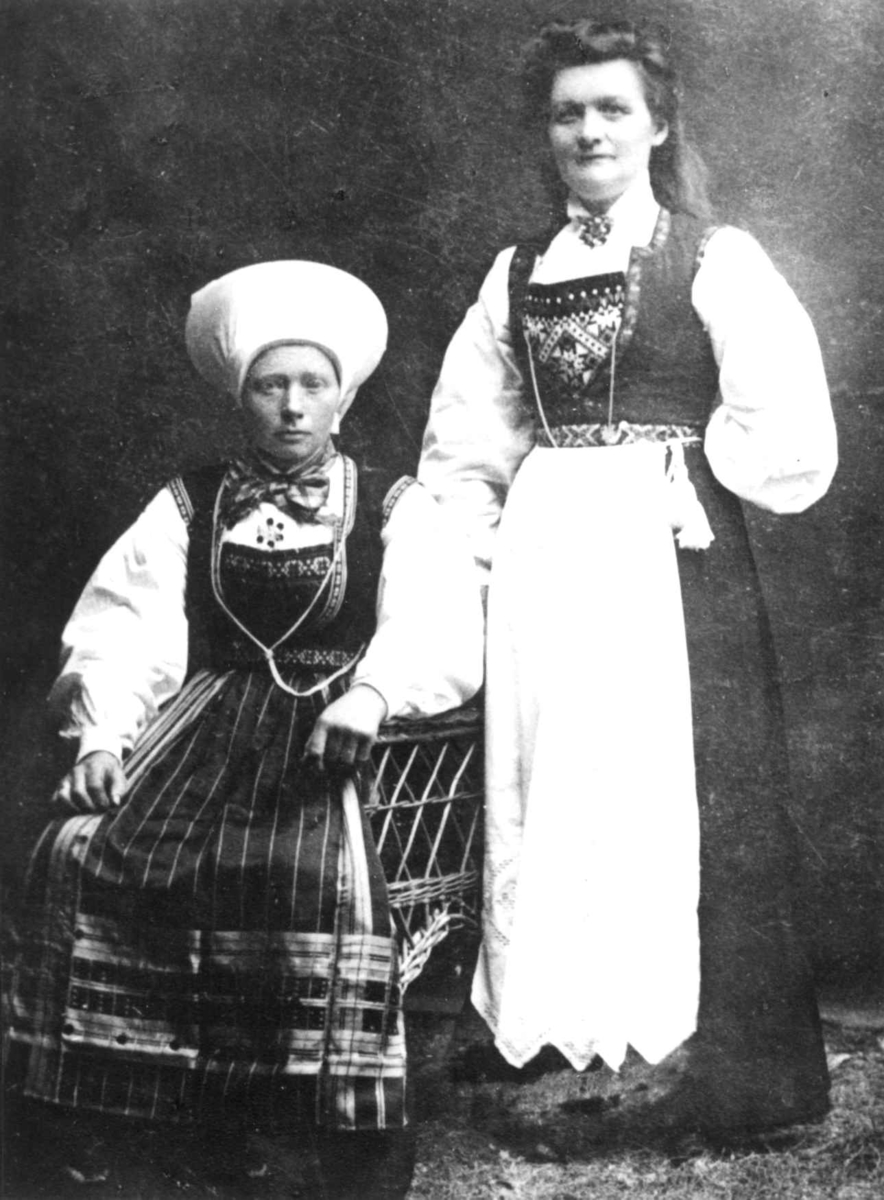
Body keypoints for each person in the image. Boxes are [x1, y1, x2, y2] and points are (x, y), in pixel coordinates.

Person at [418, 18, 838, 1141]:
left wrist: (674, 467)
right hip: (546, 562)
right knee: (554, 781)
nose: (589, 131)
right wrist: (483, 553)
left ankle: (708, 1065)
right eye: (568, 112)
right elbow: (466, 446)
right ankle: (564, 1039)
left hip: (668, 561)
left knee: (678, 791)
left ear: (656, 126)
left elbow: (786, 427)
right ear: (546, 133)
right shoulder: (516, 274)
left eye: (612, 108)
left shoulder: (711, 257)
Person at [6, 260, 484, 1196]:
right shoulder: (188, 501)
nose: (293, 407)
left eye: (313, 385)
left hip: (331, 730)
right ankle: (115, 1119)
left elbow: (436, 620)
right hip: (201, 720)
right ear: (242, 398)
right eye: (271, 386)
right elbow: (124, 621)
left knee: (304, 874)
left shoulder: (393, 505)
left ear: (344, 398)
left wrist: (373, 694)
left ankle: (313, 1142)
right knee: (79, 849)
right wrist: (102, 737)